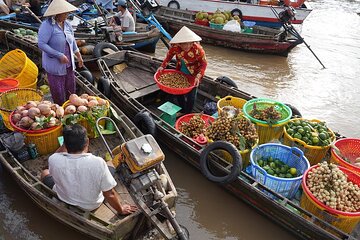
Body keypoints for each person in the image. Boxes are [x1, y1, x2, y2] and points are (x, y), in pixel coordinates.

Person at [41, 124, 138, 215]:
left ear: (64, 144)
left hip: (64, 198)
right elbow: (110, 194)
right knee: (110, 168)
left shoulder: (53, 159)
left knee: (45, 172)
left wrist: (66, 143)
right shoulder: (98, 163)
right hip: (90, 205)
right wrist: (121, 209)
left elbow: (58, 154)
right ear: (87, 142)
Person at [38, 0, 83, 105]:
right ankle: (59, 110)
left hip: (68, 64)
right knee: (58, 91)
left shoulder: (67, 25)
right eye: (65, 13)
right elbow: (41, 44)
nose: (67, 15)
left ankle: (69, 108)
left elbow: (72, 42)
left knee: (70, 89)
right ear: (57, 13)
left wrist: (79, 56)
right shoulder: (47, 25)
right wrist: (59, 55)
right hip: (55, 65)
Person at [158, 26, 207, 113]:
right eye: (185, 43)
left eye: (190, 43)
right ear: (180, 43)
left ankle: (187, 112)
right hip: (181, 71)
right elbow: (169, 56)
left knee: (191, 96)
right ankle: (182, 110)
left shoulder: (198, 50)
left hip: (194, 74)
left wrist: (198, 76)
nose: (188, 46)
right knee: (178, 93)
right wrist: (163, 66)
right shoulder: (175, 47)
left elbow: (204, 63)